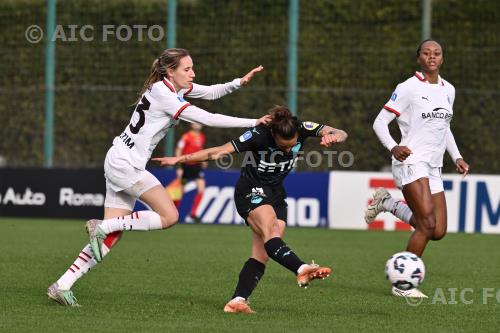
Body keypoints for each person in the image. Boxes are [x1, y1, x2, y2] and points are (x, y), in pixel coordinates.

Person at [47, 48, 270, 306]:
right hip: (127, 164)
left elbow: (210, 92)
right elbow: (206, 118)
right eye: (187, 69)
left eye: (192, 68)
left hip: (120, 159)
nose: (192, 73)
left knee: (112, 234)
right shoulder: (164, 94)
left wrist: (238, 83)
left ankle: (62, 285)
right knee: (169, 216)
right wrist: (254, 122)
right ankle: (101, 226)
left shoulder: (172, 88)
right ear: (170, 71)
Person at [154, 105, 348, 313]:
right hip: (251, 190)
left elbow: (341, 133)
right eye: (283, 147)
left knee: (264, 252)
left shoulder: (301, 127)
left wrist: (333, 136)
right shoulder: (258, 135)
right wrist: (179, 160)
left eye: (292, 146)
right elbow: (218, 152)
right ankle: (302, 268)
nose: (289, 151)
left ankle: (237, 301)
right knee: (269, 230)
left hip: (276, 194)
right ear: (273, 134)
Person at [366, 39, 470, 298]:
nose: (432, 57)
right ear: (419, 59)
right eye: (426, 53)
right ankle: (403, 285)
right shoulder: (408, 87)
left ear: (442, 59)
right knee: (426, 224)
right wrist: (393, 147)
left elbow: (443, 127)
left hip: (434, 166)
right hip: (410, 161)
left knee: (438, 230)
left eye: (436, 53)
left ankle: (388, 203)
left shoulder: (449, 90)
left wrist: (456, 156)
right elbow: (380, 122)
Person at [172, 123, 207, 223]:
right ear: (192, 125)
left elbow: (200, 150)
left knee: (201, 189)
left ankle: (193, 214)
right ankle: (173, 213)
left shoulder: (201, 136)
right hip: (186, 166)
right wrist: (179, 166)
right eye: (196, 122)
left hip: (196, 166)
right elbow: (178, 150)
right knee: (180, 191)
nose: (199, 124)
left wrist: (203, 160)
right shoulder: (186, 136)